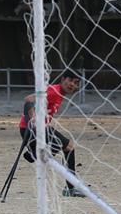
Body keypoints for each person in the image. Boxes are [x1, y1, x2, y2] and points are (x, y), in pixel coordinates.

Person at [20, 69, 85, 197]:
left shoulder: (59, 94)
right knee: (68, 147)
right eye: (70, 80)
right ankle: (70, 188)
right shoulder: (54, 91)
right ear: (63, 79)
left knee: (69, 148)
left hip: (42, 128)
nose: (72, 84)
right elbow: (28, 99)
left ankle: (33, 155)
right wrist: (33, 119)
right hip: (32, 129)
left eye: (76, 83)